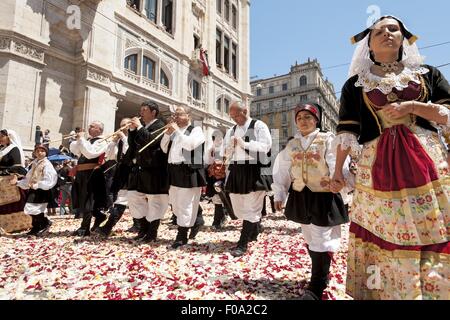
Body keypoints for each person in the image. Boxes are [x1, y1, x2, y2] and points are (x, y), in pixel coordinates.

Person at [331, 16, 450, 300]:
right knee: (388, 228)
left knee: (434, 224)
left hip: (428, 162)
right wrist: (337, 172)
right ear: (368, 43)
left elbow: (447, 113)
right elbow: (347, 132)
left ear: (404, 37)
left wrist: (414, 106)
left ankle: (436, 290)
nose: (386, 33)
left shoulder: (427, 74)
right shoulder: (355, 85)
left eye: (393, 29)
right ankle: (397, 293)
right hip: (378, 167)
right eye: (378, 30)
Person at [272, 103, 350, 300]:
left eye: (308, 117)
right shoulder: (291, 145)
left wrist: (337, 179)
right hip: (301, 194)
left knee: (320, 238)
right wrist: (279, 193)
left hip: (323, 194)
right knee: (309, 236)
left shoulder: (327, 139)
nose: (303, 121)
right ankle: (322, 273)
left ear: (316, 120)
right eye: (299, 118)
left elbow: (335, 161)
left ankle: (316, 286)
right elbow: (282, 170)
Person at [223, 101, 272, 257]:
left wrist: (244, 144)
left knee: (251, 207)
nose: (235, 119)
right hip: (236, 169)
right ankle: (255, 228)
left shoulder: (259, 125)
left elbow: (266, 146)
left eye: (237, 115)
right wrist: (222, 158)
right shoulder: (231, 130)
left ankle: (242, 243)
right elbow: (225, 149)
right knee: (238, 207)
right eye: (232, 116)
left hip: (254, 169)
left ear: (245, 110)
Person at [161, 105, 206, 248]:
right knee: (175, 203)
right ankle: (196, 219)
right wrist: (167, 134)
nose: (175, 117)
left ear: (189, 116)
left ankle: (182, 235)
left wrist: (177, 133)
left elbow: (190, 145)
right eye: (175, 114)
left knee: (185, 204)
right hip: (173, 170)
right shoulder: (174, 132)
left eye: (179, 114)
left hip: (187, 170)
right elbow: (163, 148)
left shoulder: (196, 130)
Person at [127, 102, 169, 243]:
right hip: (140, 169)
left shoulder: (161, 125)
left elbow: (151, 141)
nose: (141, 113)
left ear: (154, 112)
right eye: (141, 110)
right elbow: (133, 146)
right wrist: (132, 131)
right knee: (134, 197)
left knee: (155, 201)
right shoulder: (143, 127)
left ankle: (152, 232)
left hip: (155, 170)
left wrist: (138, 127)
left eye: (144, 110)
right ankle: (144, 228)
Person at [70, 121, 109, 236]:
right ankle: (100, 216)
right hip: (82, 173)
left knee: (88, 200)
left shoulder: (102, 141)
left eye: (92, 126)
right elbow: (76, 151)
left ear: (99, 130)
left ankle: (84, 227)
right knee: (82, 199)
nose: (89, 127)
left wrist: (82, 140)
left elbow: (90, 153)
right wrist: (78, 140)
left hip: (92, 173)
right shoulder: (87, 141)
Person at [96, 118, 132, 238]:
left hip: (130, 171)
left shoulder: (133, 137)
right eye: (121, 125)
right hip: (119, 171)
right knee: (121, 199)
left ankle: (108, 226)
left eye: (126, 124)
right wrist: (113, 141)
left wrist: (124, 138)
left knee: (125, 200)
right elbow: (110, 156)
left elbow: (129, 153)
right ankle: (108, 226)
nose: (123, 127)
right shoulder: (119, 140)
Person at [11, 144, 57, 236]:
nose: (40, 153)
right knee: (29, 208)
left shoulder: (47, 164)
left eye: (42, 151)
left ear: (46, 153)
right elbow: (28, 178)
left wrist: (39, 185)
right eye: (38, 151)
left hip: (42, 190)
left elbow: (51, 179)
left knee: (36, 209)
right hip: (34, 190)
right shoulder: (35, 163)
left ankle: (44, 223)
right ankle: (36, 226)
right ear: (35, 152)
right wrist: (18, 183)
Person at [0, 129, 28, 234]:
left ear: (9, 137)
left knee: (12, 203)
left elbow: (17, 166)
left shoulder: (14, 149)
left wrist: (15, 176)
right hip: (1, 181)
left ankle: (17, 225)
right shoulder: (2, 149)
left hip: (10, 179)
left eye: (2, 136)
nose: (0, 139)